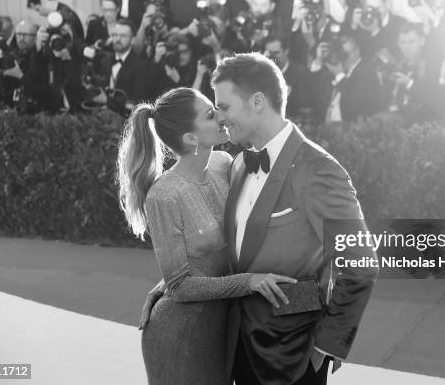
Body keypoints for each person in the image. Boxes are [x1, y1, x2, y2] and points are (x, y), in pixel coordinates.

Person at [142, 53, 379, 384]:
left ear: (256, 102)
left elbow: (360, 261)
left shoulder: (318, 169)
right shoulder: (235, 165)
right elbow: (229, 250)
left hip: (293, 355)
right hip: (233, 346)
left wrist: (327, 347)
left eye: (224, 107)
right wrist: (171, 282)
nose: (221, 119)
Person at [118, 87, 297, 384]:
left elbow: (235, 241)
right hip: (181, 333)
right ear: (191, 138)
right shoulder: (163, 196)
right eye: (211, 115)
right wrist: (248, 282)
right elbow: (180, 288)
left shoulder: (222, 164)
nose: (222, 117)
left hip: (225, 324)